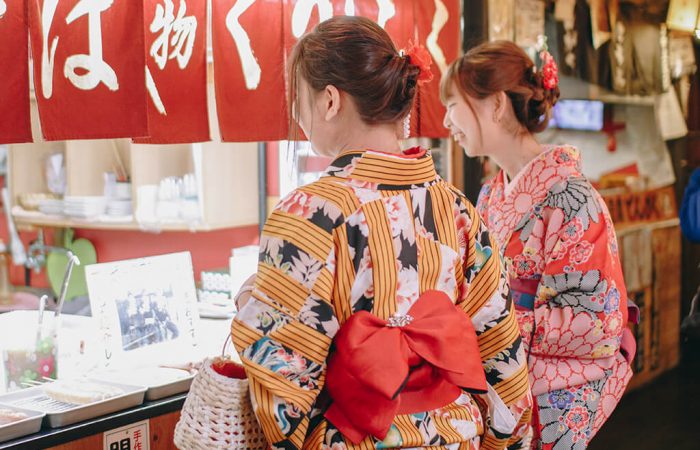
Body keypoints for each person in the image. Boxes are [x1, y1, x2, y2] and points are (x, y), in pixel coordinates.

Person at [231, 16, 531, 450]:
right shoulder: (457, 209)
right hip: (458, 435)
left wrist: (250, 306)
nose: (298, 114)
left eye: (298, 99)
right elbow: (502, 351)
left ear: (330, 100)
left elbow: (284, 398)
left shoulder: (308, 214)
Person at [441, 41, 636, 449]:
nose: (447, 122)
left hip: (549, 396)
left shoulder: (573, 200)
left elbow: (598, 323)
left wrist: (489, 324)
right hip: (501, 383)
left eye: (453, 105)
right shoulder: (490, 195)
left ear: (495, 104)